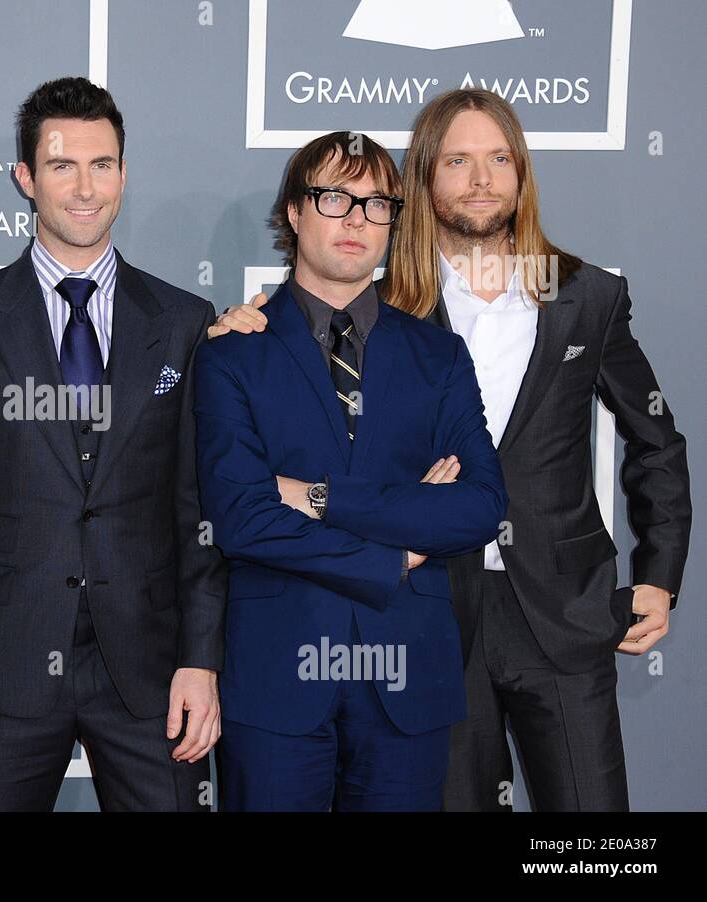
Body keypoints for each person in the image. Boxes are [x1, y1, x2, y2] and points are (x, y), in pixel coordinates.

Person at [211, 90, 691, 811]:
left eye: (499, 159)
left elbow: (655, 437)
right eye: (458, 160)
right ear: (425, 180)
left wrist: (659, 572)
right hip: (432, 607)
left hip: (562, 607)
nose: (481, 178)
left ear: (521, 173)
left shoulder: (586, 295)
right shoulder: (393, 303)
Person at [0, 77, 226, 811]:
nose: (85, 188)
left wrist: (199, 659)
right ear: (25, 178)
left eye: (103, 165)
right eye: (61, 166)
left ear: (123, 172)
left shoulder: (184, 320)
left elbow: (198, 512)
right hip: (3, 671)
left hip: (149, 672)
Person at [195, 130, 506, 811]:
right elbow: (244, 519)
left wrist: (316, 496)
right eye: (335, 198)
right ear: (294, 214)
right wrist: (396, 550)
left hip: (409, 678)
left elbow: (480, 508)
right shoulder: (230, 353)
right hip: (277, 679)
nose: (357, 219)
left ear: (396, 221)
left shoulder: (439, 356)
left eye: (376, 204)